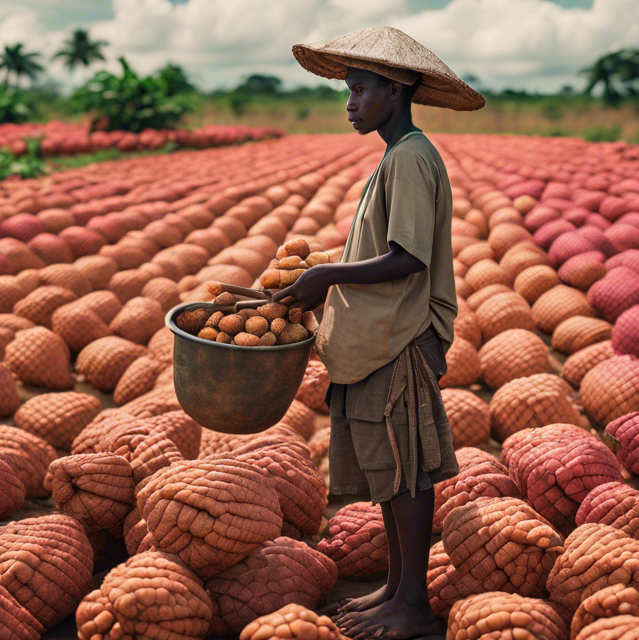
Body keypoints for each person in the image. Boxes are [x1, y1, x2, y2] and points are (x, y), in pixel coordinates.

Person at [276, 26, 484, 640]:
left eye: (361, 89)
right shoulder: (396, 156)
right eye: (348, 89)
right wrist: (321, 278)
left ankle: (414, 604)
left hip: (399, 339)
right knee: (390, 475)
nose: (350, 102)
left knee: (409, 473)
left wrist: (326, 275)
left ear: (394, 91)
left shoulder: (413, 158)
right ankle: (396, 588)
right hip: (378, 340)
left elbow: (408, 257)